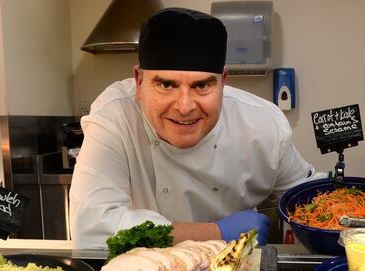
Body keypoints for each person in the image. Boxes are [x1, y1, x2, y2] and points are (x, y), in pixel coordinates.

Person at [70, 7, 317, 249]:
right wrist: (215, 233)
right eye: (166, 85)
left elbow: (309, 201)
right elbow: (90, 229)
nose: (185, 106)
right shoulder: (115, 116)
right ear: (139, 81)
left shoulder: (263, 126)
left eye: (202, 86)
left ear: (223, 82)